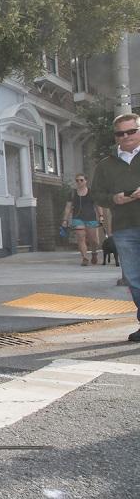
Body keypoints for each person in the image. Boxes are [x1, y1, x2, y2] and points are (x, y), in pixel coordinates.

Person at [91, 113, 140, 342]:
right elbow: (97, 195)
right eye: (121, 133)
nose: (127, 136)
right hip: (125, 228)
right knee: (134, 278)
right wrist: (114, 199)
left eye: (131, 131)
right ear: (116, 136)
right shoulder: (106, 165)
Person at [61, 174, 105, 266]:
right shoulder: (72, 193)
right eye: (77, 180)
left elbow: (97, 205)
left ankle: (94, 253)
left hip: (91, 218)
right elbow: (68, 207)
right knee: (81, 238)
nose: (79, 182)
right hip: (77, 218)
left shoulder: (91, 192)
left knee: (94, 240)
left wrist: (101, 216)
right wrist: (65, 220)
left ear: (86, 181)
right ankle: (84, 258)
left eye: (81, 180)